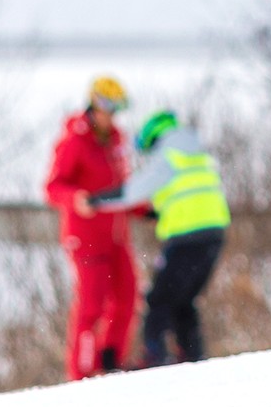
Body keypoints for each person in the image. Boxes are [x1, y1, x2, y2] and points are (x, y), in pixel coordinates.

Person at [90, 110, 230, 368]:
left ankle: (154, 357)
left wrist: (95, 201)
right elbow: (188, 195)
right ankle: (193, 357)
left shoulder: (168, 155)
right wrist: (157, 212)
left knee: (158, 299)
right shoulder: (198, 154)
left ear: (153, 138)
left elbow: (133, 192)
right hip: (215, 236)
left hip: (186, 236)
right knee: (183, 300)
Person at [44, 76, 142, 380]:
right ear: (94, 104)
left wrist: (145, 209)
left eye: (116, 109)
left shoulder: (116, 140)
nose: (110, 115)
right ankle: (82, 373)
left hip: (115, 236)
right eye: (106, 107)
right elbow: (53, 186)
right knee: (91, 307)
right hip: (85, 238)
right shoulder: (74, 140)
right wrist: (76, 198)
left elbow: (121, 189)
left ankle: (111, 359)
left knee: (127, 296)